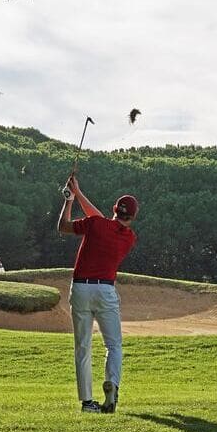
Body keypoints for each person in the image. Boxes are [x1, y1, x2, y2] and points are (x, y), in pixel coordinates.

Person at [57, 174, 138, 413]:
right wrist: (79, 193)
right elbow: (101, 220)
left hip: (81, 288)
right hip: (106, 290)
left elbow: (63, 226)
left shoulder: (95, 224)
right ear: (131, 217)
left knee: (83, 346)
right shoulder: (129, 238)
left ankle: (87, 402)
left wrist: (69, 199)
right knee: (114, 345)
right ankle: (112, 383)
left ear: (114, 210)